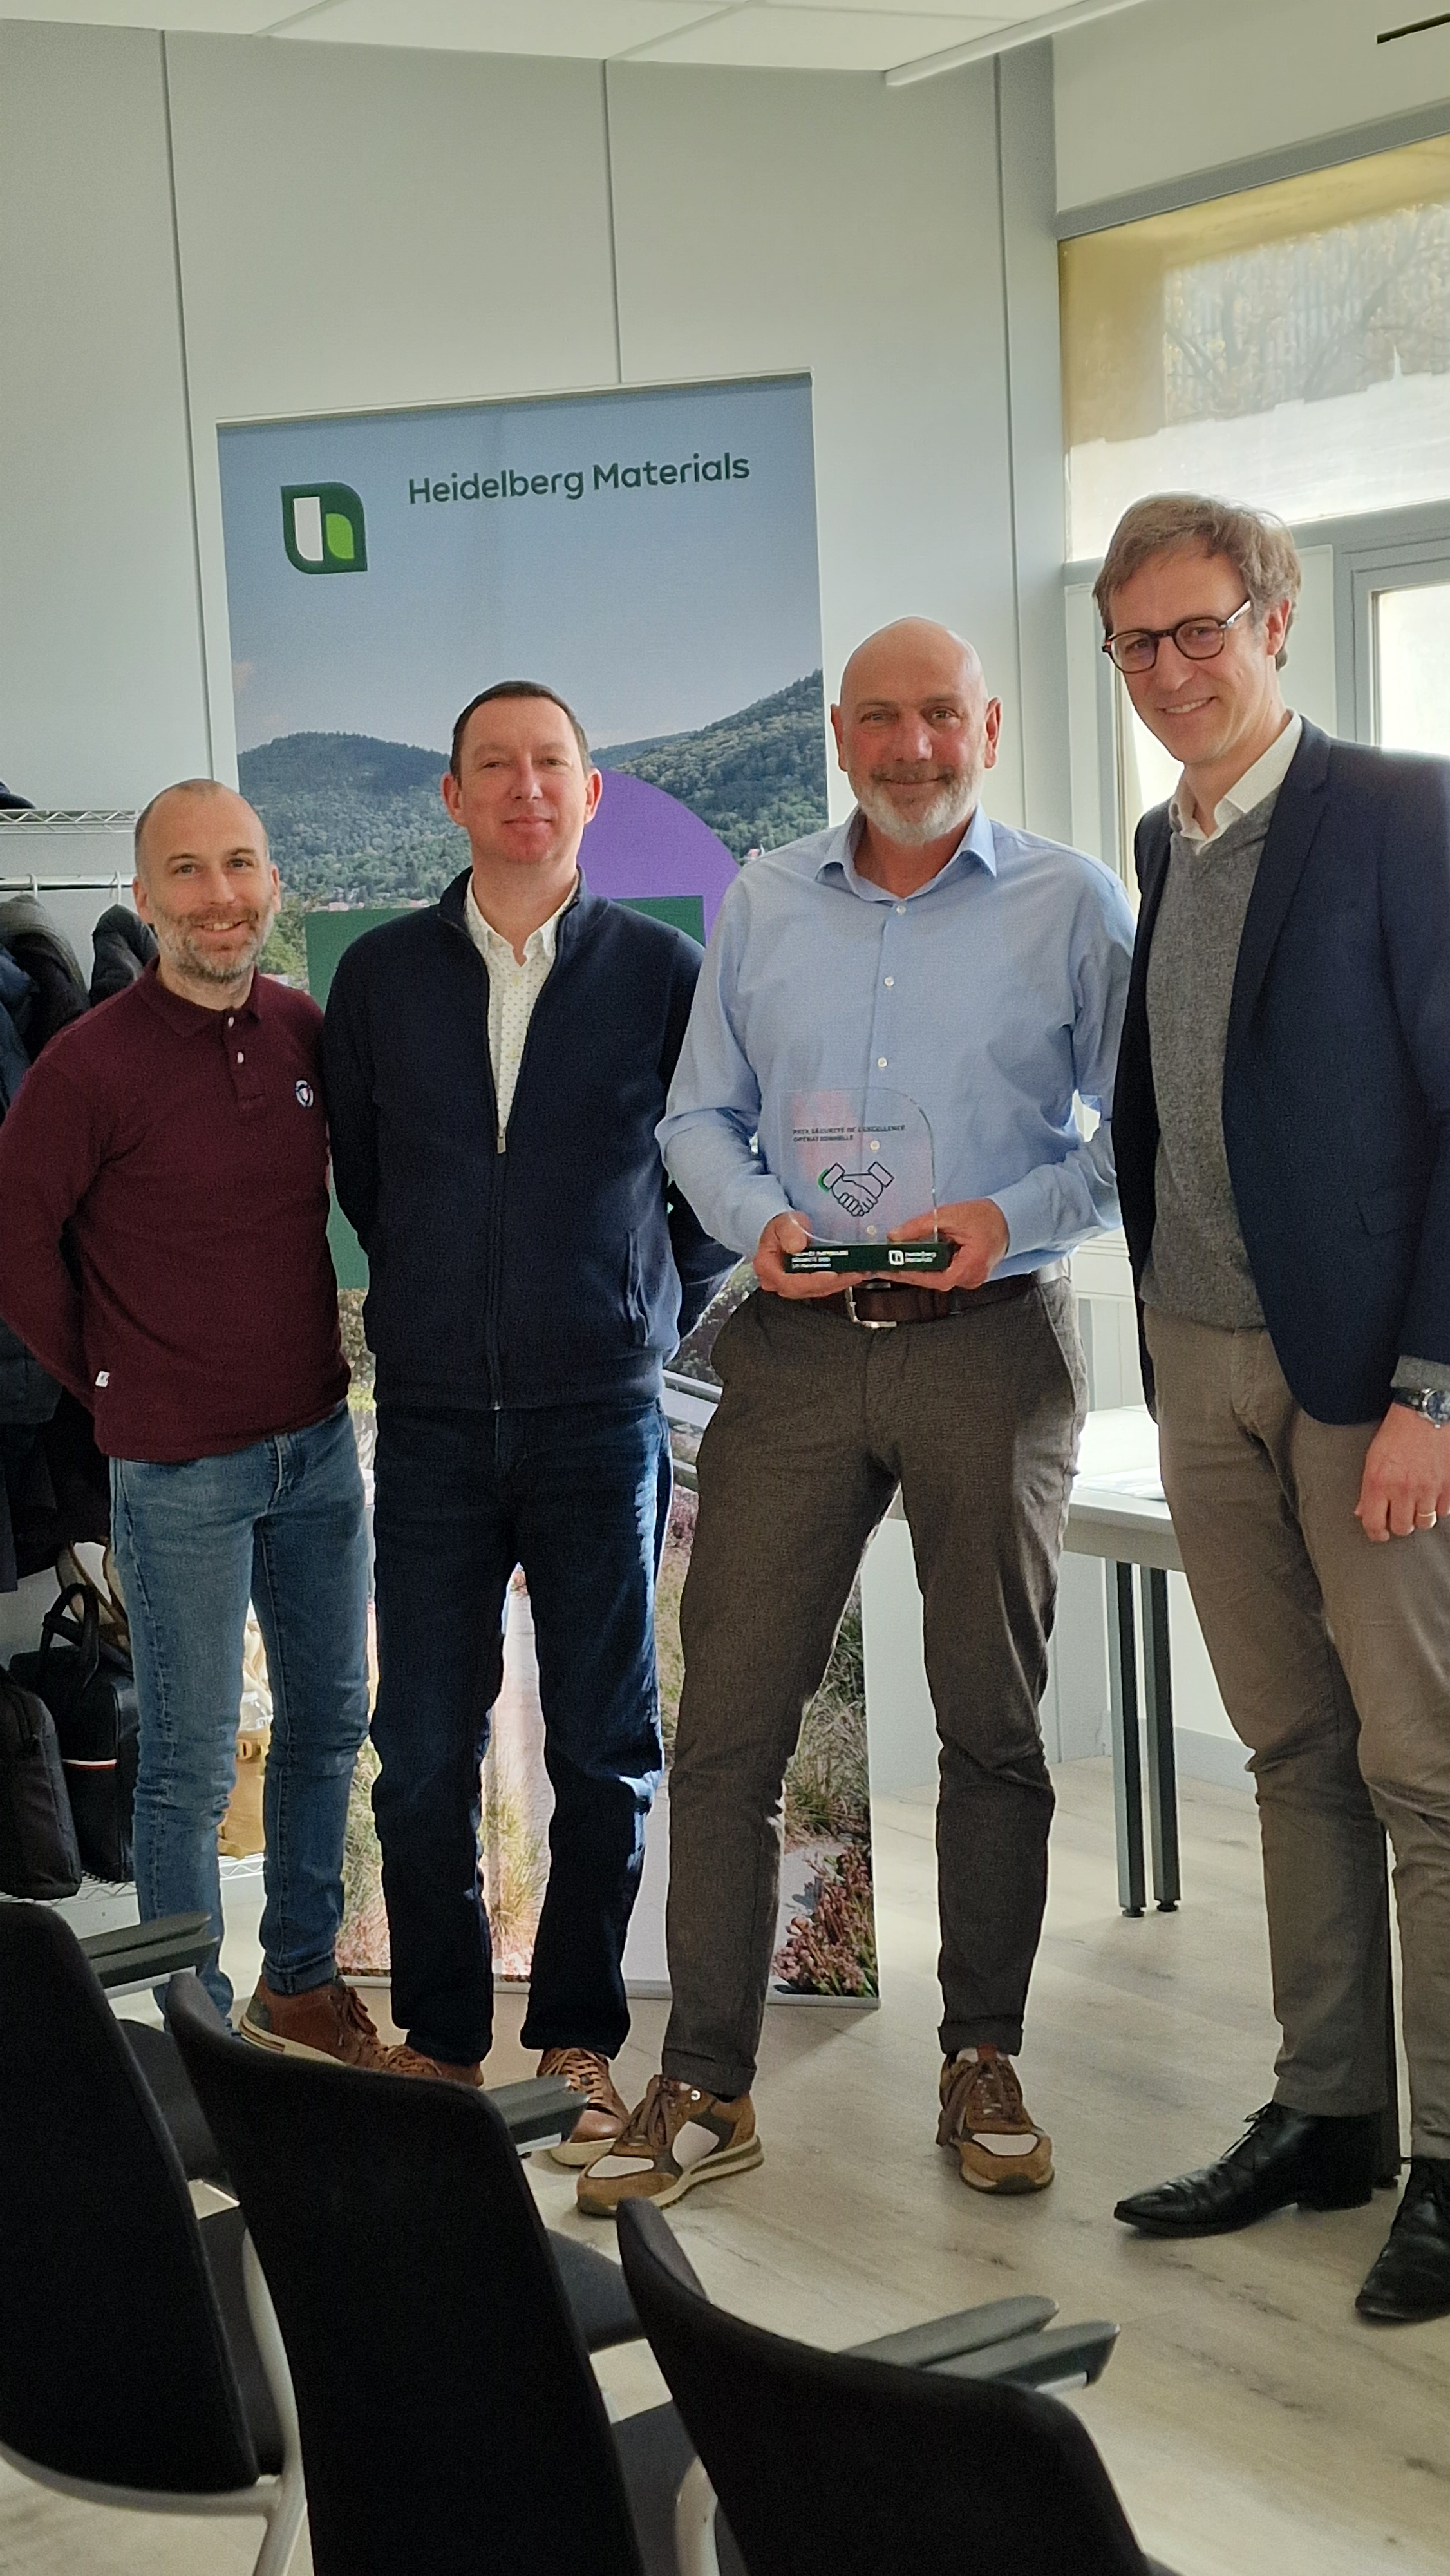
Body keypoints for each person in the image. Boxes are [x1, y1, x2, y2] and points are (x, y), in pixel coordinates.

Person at [577, 618, 1136, 2217]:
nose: (910, 747)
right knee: (730, 1725)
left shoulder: (1073, 902)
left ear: (990, 723)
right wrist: (756, 1221)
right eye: (879, 718)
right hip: (799, 1352)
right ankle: (707, 2078)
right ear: (838, 731)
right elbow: (698, 1110)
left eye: (939, 717)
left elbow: (1132, 1136)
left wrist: (1010, 1214)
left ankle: (982, 2056)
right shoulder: (762, 898)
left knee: (991, 1722)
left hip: (989, 1340)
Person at [1101, 493, 1450, 2325]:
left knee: (1425, 1775)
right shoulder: (1165, 844)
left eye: (1199, 629)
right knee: (1291, 1756)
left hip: (1368, 1383)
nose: (1170, 670)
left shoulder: (1403, 815)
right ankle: (1327, 2115)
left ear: (1277, 618)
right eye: (1136, 645)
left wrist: (1430, 1389)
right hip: (1201, 1360)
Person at [323, 681, 730, 2143]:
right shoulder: (377, 977)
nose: (522, 787)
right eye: (491, 765)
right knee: (423, 1743)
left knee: (603, 1745)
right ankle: (441, 2032)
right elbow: (366, 1184)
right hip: (429, 1417)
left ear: (592, 791)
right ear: (451, 796)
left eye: (547, 763)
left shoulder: (662, 970)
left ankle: (573, 2033)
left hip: (596, 1413)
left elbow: (703, 1183)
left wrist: (640, 1308)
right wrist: (444, 1295)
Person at [0, 781, 384, 2067]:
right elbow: (15, 1245)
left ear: (270, 879)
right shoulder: (86, 1060)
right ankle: (194, 2030)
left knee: (331, 1717)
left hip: (318, 1448)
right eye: (186, 870)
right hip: (176, 1470)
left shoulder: (302, 1030)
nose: (218, 894)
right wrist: (108, 1377)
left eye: (239, 864)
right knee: (187, 1757)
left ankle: (300, 1980)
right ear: (146, 889)